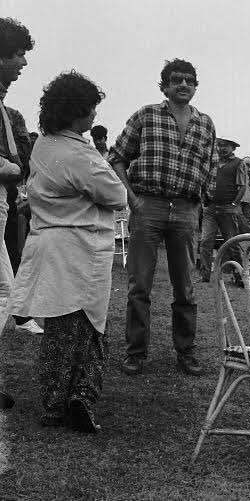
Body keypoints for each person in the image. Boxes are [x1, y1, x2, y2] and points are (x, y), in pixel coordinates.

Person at [9, 71, 127, 431]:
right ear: (77, 111)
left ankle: (53, 401)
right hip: (82, 245)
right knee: (88, 325)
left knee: (59, 325)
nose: (93, 116)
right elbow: (117, 195)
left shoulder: (44, 145)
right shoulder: (80, 155)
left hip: (49, 241)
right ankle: (81, 396)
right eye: (90, 109)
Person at [109, 58, 218, 376]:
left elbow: (210, 166)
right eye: (176, 80)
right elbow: (116, 158)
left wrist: (198, 203)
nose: (183, 84)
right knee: (139, 285)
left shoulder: (206, 124)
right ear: (165, 86)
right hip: (149, 207)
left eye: (189, 80)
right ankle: (135, 352)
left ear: (196, 85)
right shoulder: (146, 115)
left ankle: (186, 352)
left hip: (186, 211)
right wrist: (133, 199)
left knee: (185, 287)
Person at [0, 18, 43, 338]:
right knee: (4, 291)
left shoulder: (8, 111)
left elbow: (22, 162)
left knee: (6, 287)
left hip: (8, 200)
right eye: (17, 53)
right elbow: (17, 166)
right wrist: (9, 168)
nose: (23, 61)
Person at [197, 136, 250, 283]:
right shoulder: (212, 162)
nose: (222, 148)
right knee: (205, 242)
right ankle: (204, 275)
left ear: (233, 148)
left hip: (228, 210)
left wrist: (234, 204)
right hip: (210, 209)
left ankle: (240, 277)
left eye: (226, 145)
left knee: (232, 244)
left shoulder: (239, 163)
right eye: (220, 145)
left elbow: (242, 186)